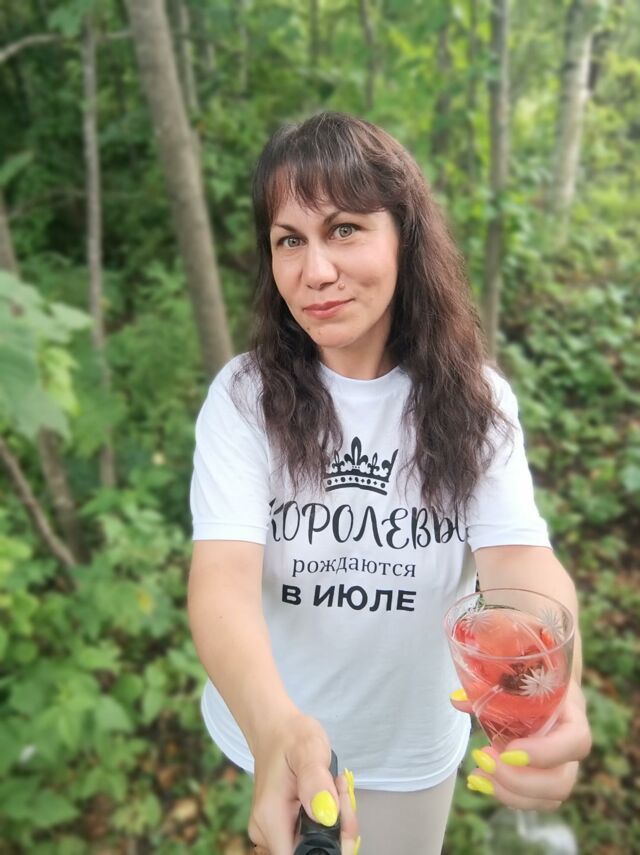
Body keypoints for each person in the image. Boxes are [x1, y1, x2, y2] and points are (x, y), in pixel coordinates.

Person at [188, 111, 591, 855]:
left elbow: (518, 561)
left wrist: (553, 679)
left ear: (405, 236)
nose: (315, 270)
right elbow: (222, 581)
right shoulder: (245, 398)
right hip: (265, 728)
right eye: (289, 240)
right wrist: (274, 727)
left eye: (344, 229)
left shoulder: (474, 400)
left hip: (411, 750)